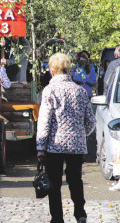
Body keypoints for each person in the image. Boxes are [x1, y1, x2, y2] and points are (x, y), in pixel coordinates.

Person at [36, 53, 96, 223]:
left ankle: (57, 218)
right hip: (76, 145)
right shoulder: (80, 91)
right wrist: (80, 134)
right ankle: (80, 212)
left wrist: (40, 147)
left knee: (54, 182)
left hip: (55, 145)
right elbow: (91, 121)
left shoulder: (50, 90)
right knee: (75, 178)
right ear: (68, 69)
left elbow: (44, 122)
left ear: (52, 70)